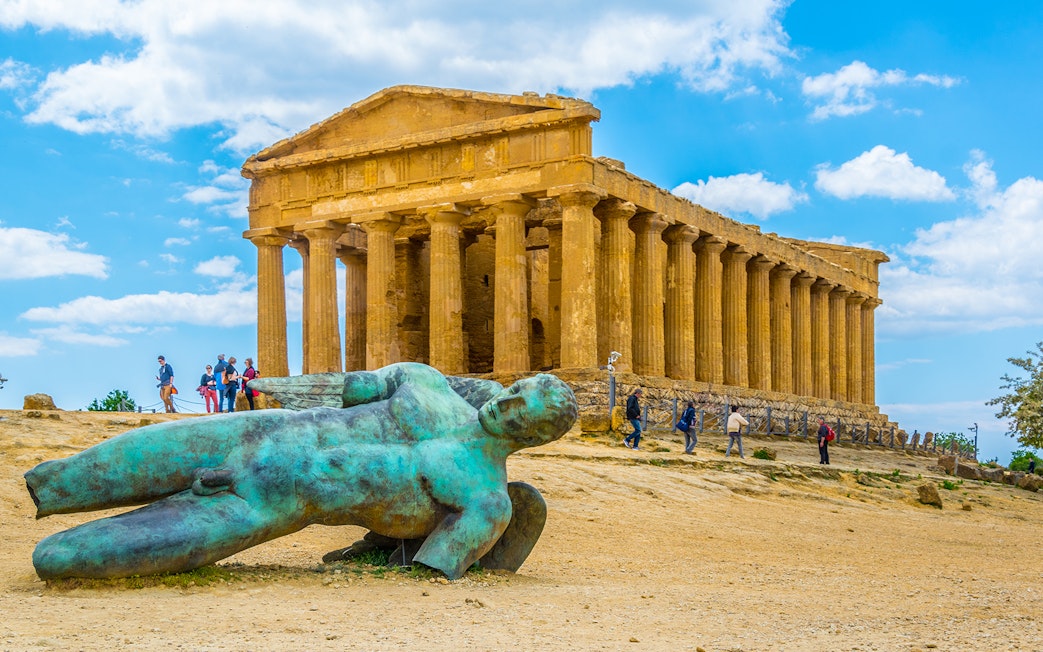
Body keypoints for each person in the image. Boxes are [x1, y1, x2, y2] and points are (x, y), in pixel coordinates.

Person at [24, 362, 578, 581]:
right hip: (257, 434)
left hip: (274, 503)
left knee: (59, 560)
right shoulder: (427, 383)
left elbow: (432, 564)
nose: (503, 403)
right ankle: (50, 488)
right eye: (514, 392)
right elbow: (349, 387)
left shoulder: (487, 500)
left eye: (518, 410)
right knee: (63, 477)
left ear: (533, 436)